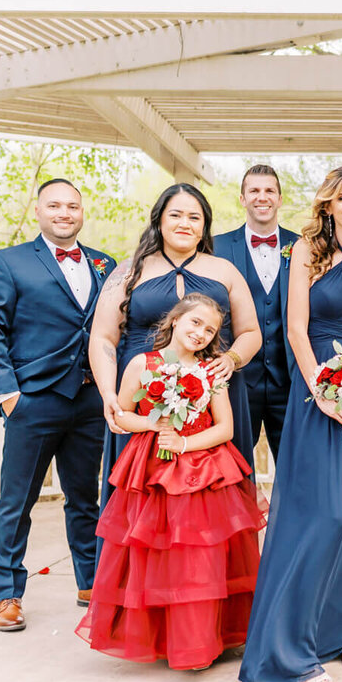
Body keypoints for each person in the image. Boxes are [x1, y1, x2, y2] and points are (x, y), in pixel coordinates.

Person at [240, 166, 342, 682]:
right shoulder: (305, 252)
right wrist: (324, 394)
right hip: (319, 395)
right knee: (323, 515)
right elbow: (296, 329)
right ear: (328, 205)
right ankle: (291, 648)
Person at [76, 294, 265, 671]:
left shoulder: (211, 371)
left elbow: (225, 428)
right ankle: (161, 636)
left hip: (203, 470)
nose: (201, 333)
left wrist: (183, 444)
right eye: (195, 322)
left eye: (209, 330)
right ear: (176, 320)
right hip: (152, 470)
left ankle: (199, 639)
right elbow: (122, 415)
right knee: (158, 553)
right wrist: (153, 423)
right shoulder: (141, 364)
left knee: (200, 556)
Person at [0, 178, 117, 632]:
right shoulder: (8, 262)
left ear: (82, 212)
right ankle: (7, 594)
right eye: (54, 205)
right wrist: (8, 396)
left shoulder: (105, 264)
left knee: (85, 498)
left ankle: (91, 583)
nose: (64, 213)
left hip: (89, 401)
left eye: (72, 206)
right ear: (38, 210)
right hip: (32, 401)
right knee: (17, 502)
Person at [89, 184, 261, 510]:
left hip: (210, 391)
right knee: (142, 497)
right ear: (159, 220)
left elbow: (251, 331)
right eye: (176, 215)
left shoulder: (224, 270)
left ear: (204, 225)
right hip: (143, 394)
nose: (185, 223)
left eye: (194, 217)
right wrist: (109, 394)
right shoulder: (129, 270)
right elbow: (102, 337)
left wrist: (232, 358)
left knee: (213, 502)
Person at [214, 164, 299, 461]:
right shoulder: (216, 246)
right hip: (235, 379)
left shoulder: (304, 246)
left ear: (280, 199)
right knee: (231, 465)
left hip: (289, 380)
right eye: (254, 191)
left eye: (269, 191)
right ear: (242, 198)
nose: (262, 197)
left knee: (294, 465)